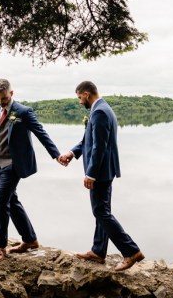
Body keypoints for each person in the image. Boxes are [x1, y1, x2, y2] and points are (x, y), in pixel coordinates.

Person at [58, 81, 144, 272]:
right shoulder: (102, 109)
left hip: (101, 172)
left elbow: (99, 147)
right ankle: (98, 251)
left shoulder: (99, 112)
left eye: (80, 98)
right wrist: (72, 153)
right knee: (102, 211)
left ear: (87, 94)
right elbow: (88, 140)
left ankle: (131, 251)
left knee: (101, 212)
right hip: (105, 170)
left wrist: (91, 174)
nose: (80, 102)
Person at [0, 78, 62, 265]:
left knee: (1, 201)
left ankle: (0, 247)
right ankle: (30, 239)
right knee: (12, 200)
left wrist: (56, 155)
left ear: (12, 93)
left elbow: (41, 132)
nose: (1, 102)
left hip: (14, 165)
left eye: (4, 98)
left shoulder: (23, 112)